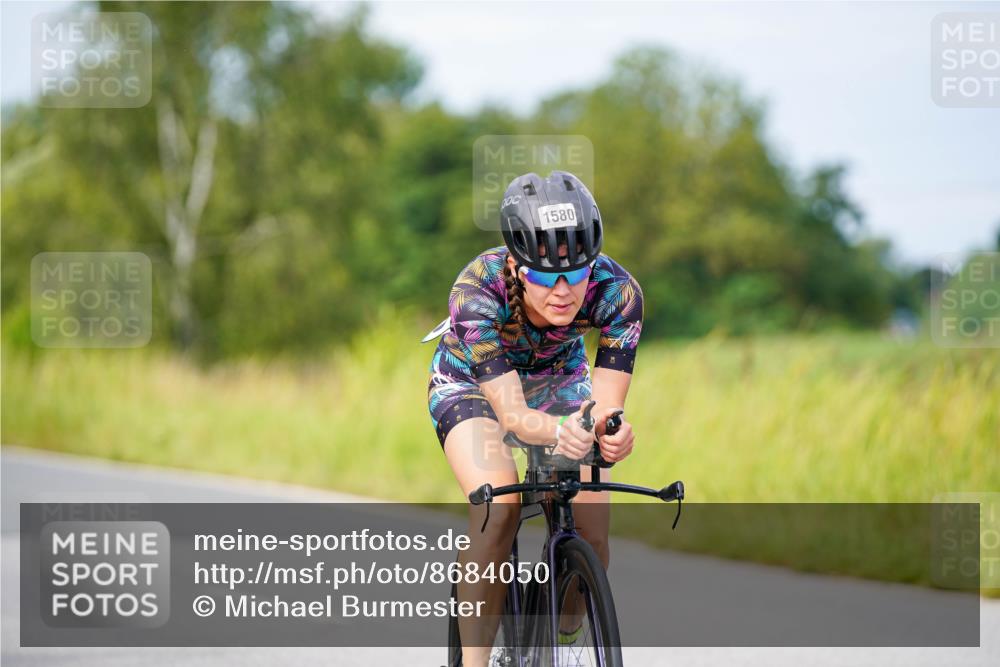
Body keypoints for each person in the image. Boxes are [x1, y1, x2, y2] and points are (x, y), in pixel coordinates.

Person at [425, 170, 643, 667]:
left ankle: (563, 635)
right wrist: (565, 431)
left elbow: (607, 406)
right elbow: (514, 416)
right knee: (499, 507)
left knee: (593, 530)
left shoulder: (618, 292)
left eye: (577, 271)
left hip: (558, 377)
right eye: (545, 275)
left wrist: (610, 432)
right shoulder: (476, 291)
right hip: (473, 383)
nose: (563, 290)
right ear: (517, 265)